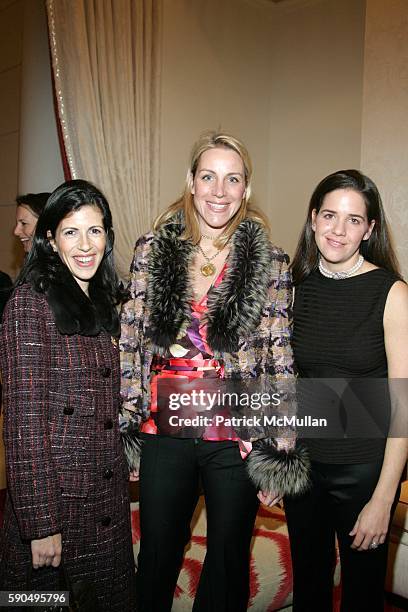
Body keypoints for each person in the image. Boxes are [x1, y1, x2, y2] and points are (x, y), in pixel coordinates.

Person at [120, 131, 310, 611]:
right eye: (209, 177)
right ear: (191, 181)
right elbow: (131, 343)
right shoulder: (153, 250)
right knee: (159, 552)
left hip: (236, 434)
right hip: (165, 429)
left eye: (232, 179)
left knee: (228, 558)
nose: (219, 191)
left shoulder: (271, 263)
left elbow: (279, 357)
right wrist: (129, 422)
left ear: (246, 189)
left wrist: (279, 448)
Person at [0, 180, 137, 610]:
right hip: (56, 510)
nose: (85, 245)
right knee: (42, 604)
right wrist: (40, 524)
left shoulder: (102, 302)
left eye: (95, 231)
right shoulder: (29, 305)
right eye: (71, 231)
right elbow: (23, 425)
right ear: (50, 239)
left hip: (105, 503)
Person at [284, 169, 408, 611]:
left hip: (363, 472)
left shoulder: (391, 293)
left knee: (362, 597)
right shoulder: (292, 290)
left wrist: (383, 498)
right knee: (310, 591)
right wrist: (274, 462)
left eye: (353, 220)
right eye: (330, 216)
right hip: (303, 471)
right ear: (313, 218)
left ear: (370, 229)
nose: (338, 230)